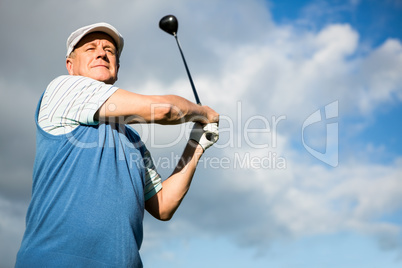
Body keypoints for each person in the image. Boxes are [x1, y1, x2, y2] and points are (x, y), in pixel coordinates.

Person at [15, 22, 219, 267]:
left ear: (117, 68)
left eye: (109, 50)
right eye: (90, 48)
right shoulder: (62, 90)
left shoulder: (132, 139)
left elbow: (163, 205)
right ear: (71, 65)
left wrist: (196, 144)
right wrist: (202, 112)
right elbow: (165, 110)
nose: (101, 53)